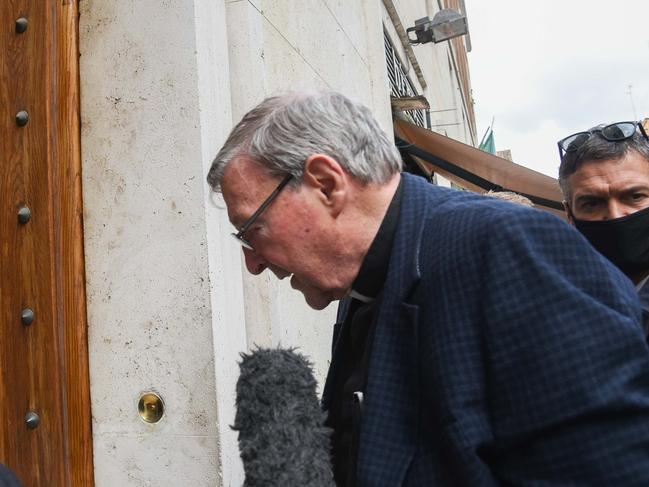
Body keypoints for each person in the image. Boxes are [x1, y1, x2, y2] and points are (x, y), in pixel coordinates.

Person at [207, 92, 649, 486]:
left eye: (252, 228)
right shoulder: (362, 285)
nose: (253, 261)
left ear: (326, 184)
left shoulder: (510, 250)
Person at [558, 121, 649, 336]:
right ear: (569, 214)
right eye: (592, 204)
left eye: (635, 196)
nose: (615, 215)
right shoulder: (558, 309)